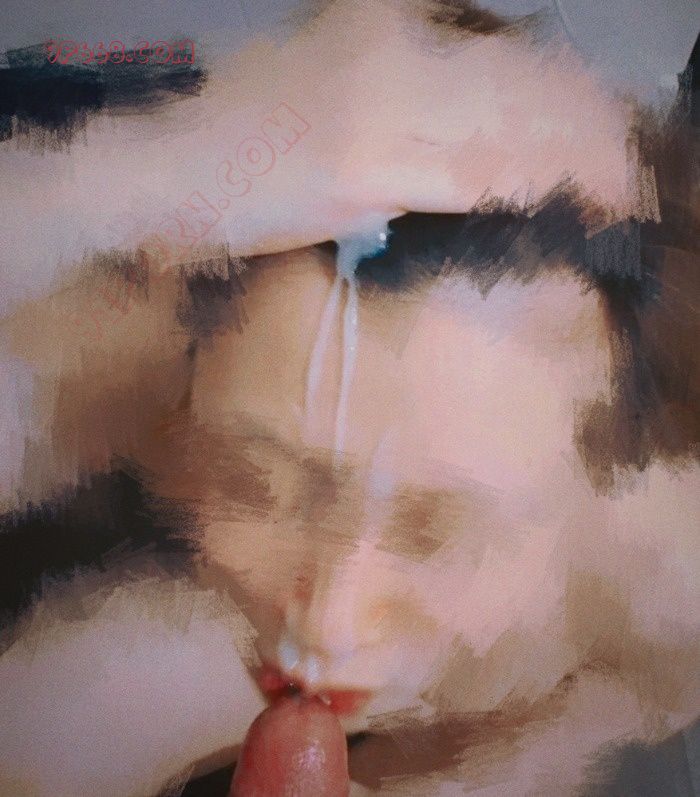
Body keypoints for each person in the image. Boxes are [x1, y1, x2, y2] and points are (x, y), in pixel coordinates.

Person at [0, 1, 697, 794]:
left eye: (436, 533)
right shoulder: (95, 656)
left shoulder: (663, 601)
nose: (326, 622)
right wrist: (169, 166)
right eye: (257, 483)